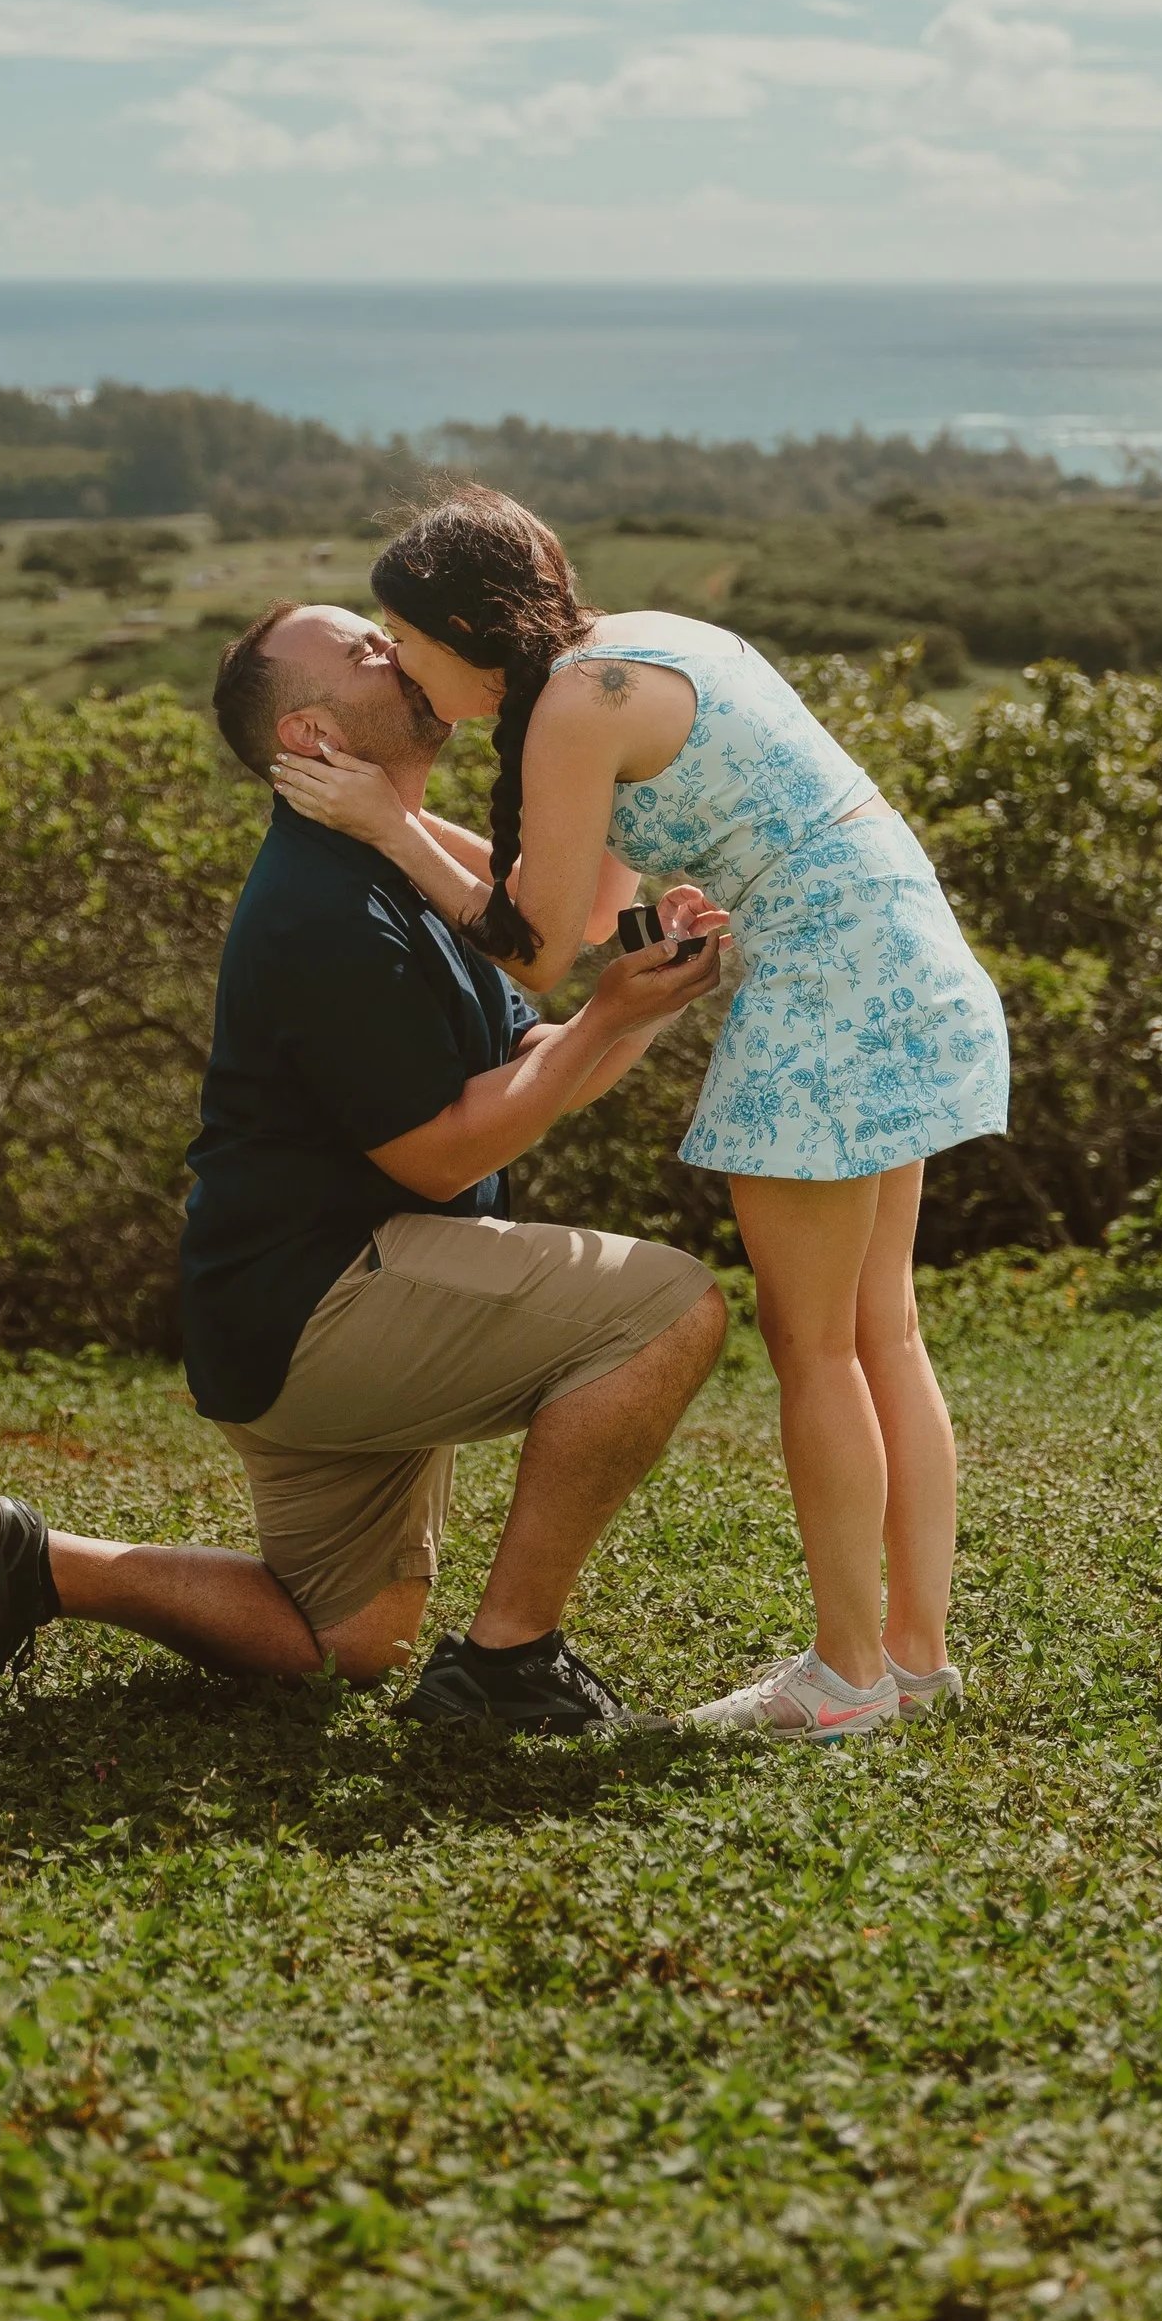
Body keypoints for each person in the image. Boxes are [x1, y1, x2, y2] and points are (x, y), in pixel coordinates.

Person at [0, 599, 727, 1734]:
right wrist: (599, 1025)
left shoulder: (395, 864)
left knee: (347, 1640)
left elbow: (524, 1059)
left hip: (286, 1313)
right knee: (671, 1308)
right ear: (309, 737)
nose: (397, 649)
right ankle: (509, 1659)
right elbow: (440, 1156)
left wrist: (639, 1001)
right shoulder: (321, 908)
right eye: (361, 650)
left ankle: (35, 1562)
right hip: (325, 1302)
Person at [268, 489, 1008, 1743]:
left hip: (828, 991)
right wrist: (418, 836)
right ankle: (914, 1658)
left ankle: (845, 1677)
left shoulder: (568, 709)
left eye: (405, 637)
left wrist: (385, 823)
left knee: (816, 1343)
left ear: (467, 623)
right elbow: (579, 898)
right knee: (882, 1329)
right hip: (907, 960)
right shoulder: (641, 649)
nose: (399, 665)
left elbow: (532, 952)